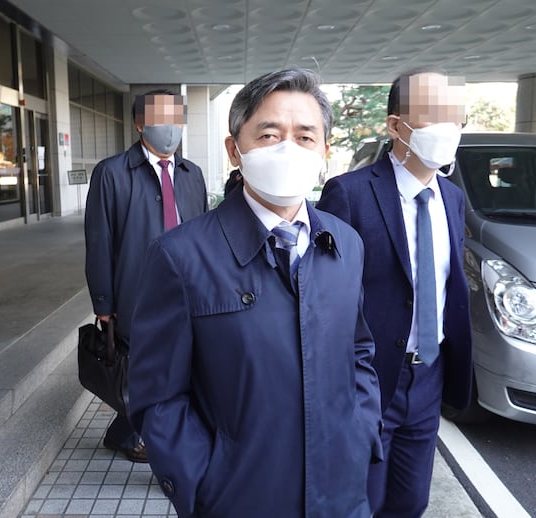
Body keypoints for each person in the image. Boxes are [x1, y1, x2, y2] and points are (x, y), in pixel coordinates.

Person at [128, 68, 383, 517]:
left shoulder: (346, 243)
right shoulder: (180, 256)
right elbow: (158, 396)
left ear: (325, 152)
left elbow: (359, 351)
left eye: (305, 136)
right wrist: (204, 484)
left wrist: (361, 434)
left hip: (341, 495)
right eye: (269, 134)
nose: (288, 148)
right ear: (235, 150)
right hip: (238, 500)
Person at [317, 70, 473, 517]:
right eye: (433, 115)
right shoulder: (349, 193)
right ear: (395, 125)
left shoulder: (452, 198)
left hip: (429, 374)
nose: (447, 128)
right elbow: (325, 297)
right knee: (360, 501)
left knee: (410, 501)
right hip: (369, 378)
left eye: (455, 117)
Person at [84, 89, 207, 463]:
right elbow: (99, 240)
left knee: (179, 361)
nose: (169, 128)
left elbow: (203, 235)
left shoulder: (192, 174)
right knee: (139, 365)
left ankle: (129, 430)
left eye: (175, 119)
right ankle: (133, 433)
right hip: (134, 290)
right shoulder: (111, 173)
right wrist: (103, 301)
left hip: (185, 288)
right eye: (160, 119)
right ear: (140, 124)